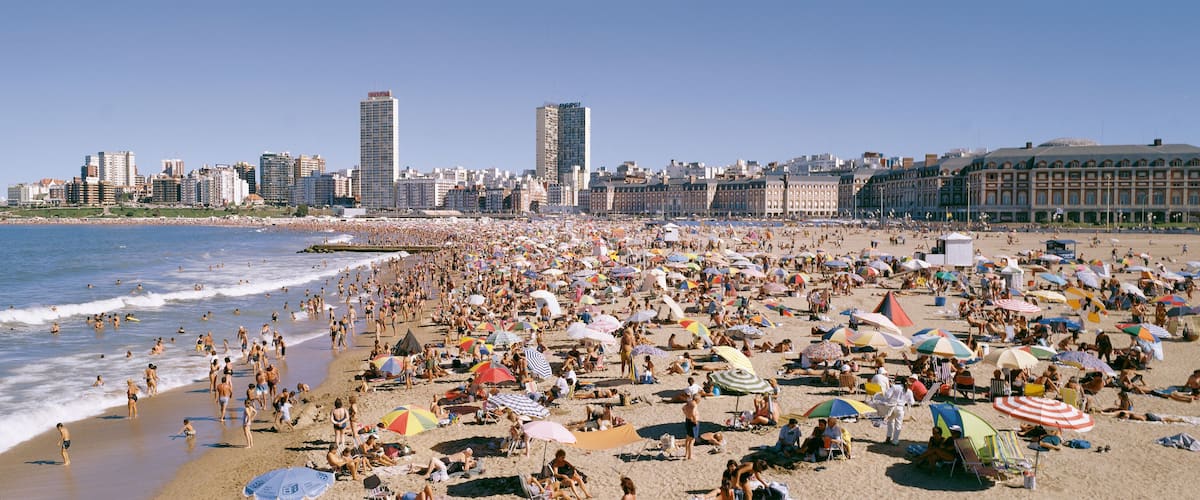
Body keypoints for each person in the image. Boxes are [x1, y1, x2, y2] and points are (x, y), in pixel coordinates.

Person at [879, 376, 915, 445]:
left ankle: (888, 438)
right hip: (900, 408)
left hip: (892, 406)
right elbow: (912, 402)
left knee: (890, 422)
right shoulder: (909, 391)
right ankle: (895, 441)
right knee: (898, 425)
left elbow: (887, 395)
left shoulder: (895, 387)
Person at [683, 394, 700, 460]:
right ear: (697, 399)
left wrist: (687, 415)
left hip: (687, 420)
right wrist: (695, 420)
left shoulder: (689, 403)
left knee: (687, 439)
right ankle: (690, 456)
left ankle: (686, 454)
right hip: (692, 422)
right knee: (692, 440)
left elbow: (683, 408)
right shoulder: (694, 404)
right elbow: (693, 413)